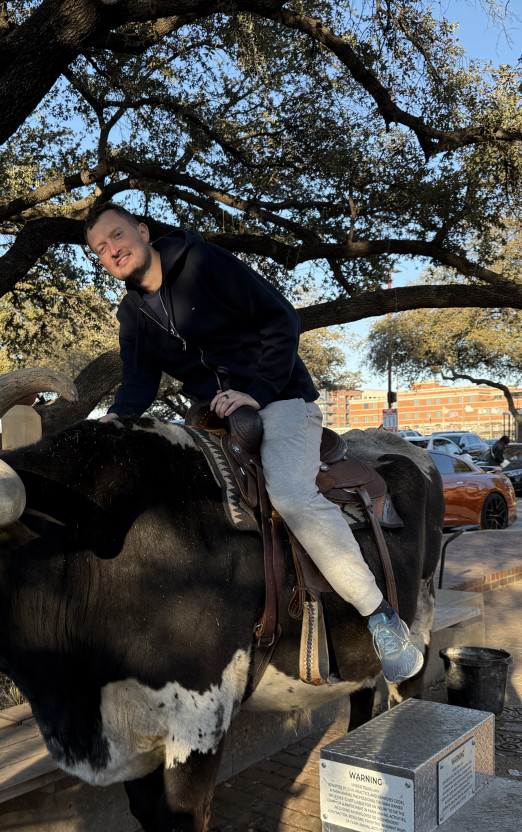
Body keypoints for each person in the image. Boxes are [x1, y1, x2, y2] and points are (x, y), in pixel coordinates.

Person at [84, 202, 423, 683]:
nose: (112, 249)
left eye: (117, 236)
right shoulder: (132, 314)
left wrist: (257, 391)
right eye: (101, 248)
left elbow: (281, 319)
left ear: (141, 231)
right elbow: (138, 384)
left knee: (289, 493)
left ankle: (380, 616)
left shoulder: (203, 261)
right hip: (214, 415)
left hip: (280, 398)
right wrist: (112, 422)